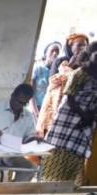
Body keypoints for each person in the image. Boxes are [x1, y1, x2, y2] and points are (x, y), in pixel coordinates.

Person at [43, 42, 97, 185]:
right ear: (90, 55)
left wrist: (89, 116)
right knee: (59, 151)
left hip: (88, 120)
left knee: (76, 153)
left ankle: (68, 186)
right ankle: (50, 185)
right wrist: (83, 114)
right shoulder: (80, 73)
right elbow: (70, 96)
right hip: (69, 117)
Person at [0, 83, 38, 182]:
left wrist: (34, 139)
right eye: (18, 101)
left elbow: (28, 137)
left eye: (24, 103)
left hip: (12, 154)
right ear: (12, 95)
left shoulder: (28, 116)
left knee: (30, 168)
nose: (20, 105)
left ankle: (14, 194)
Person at [37, 50, 89, 138]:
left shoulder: (77, 77)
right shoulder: (61, 73)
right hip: (51, 116)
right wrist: (70, 65)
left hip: (59, 119)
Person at [32, 41, 62, 115]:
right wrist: (36, 112)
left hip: (50, 110)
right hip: (36, 108)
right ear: (46, 53)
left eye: (57, 51)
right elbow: (31, 93)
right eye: (52, 51)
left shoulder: (59, 71)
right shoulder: (38, 68)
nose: (55, 53)